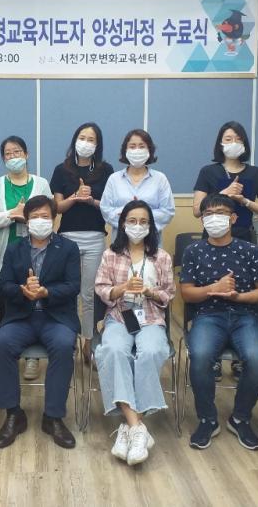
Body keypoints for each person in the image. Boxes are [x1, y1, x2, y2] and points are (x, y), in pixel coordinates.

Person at [179, 194, 258, 451]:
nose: (214, 218)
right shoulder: (193, 251)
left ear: (233, 218)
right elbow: (187, 294)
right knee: (200, 355)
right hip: (208, 316)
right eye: (208, 214)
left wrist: (238, 296)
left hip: (245, 316)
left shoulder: (250, 251)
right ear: (202, 220)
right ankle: (207, 419)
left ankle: (240, 417)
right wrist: (213, 289)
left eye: (221, 213)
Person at [0, 195, 80, 450]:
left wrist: (46, 292)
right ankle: (13, 414)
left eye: (45, 216)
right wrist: (23, 290)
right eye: (34, 216)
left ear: (54, 219)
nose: (40, 221)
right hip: (22, 316)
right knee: (1, 345)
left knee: (63, 346)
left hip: (56, 317)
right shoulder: (14, 248)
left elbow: (73, 286)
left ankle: (53, 417)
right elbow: (4, 285)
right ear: (26, 221)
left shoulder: (68, 248)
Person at [94, 200, 175, 466]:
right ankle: (137, 428)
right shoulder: (110, 254)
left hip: (150, 318)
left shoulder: (162, 256)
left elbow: (168, 294)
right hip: (119, 316)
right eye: (132, 221)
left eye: (143, 221)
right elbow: (101, 288)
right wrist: (122, 288)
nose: (137, 226)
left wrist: (150, 291)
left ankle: (129, 428)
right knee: (113, 350)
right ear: (122, 224)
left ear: (150, 226)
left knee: (151, 351)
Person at [192, 121, 258, 383]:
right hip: (212, 239)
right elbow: (196, 210)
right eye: (227, 138)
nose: (233, 143)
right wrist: (223, 194)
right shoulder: (208, 171)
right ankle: (211, 357)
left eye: (237, 138)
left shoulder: (256, 173)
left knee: (247, 291)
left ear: (245, 143)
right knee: (211, 291)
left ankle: (242, 356)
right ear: (220, 143)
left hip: (243, 237)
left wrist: (244, 201)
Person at [0, 136, 52, 381]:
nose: (13, 157)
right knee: (9, 304)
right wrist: (12, 214)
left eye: (17, 152)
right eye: (8, 153)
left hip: (37, 252)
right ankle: (9, 354)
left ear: (27, 154)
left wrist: (29, 217)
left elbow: (49, 214)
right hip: (5, 254)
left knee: (35, 303)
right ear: (3, 158)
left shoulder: (41, 183)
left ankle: (32, 359)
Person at [50, 122, 114, 364]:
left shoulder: (106, 170)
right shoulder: (61, 170)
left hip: (95, 237)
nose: (85, 142)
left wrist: (91, 200)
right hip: (67, 237)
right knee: (67, 293)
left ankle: (89, 342)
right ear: (75, 140)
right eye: (82, 137)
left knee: (89, 294)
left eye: (91, 139)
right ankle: (68, 341)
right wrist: (76, 197)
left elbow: (109, 207)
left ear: (98, 144)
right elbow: (57, 208)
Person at [100, 129, 174, 239]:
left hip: (151, 241)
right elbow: (106, 209)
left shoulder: (160, 179)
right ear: (125, 150)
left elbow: (168, 211)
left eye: (142, 146)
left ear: (149, 150)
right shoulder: (114, 179)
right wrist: (126, 217)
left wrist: (142, 216)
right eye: (132, 146)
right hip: (120, 240)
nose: (137, 150)